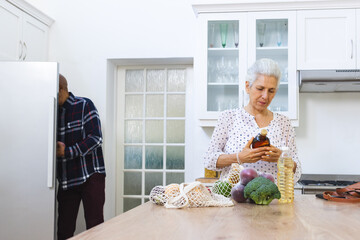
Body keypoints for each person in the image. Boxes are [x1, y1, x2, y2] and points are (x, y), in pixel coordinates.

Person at [204, 58, 301, 183]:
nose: (265, 96)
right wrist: (239, 157)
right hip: (233, 200)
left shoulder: (284, 123)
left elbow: (297, 171)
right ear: (247, 87)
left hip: (273, 200)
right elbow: (209, 160)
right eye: (260, 88)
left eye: (271, 91)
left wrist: (282, 158)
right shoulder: (228, 118)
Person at [56, 74, 106, 240]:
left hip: (90, 176)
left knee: (95, 227)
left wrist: (67, 151)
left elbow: (96, 138)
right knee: (64, 230)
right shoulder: (52, 112)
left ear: (62, 89)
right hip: (66, 179)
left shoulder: (84, 105)